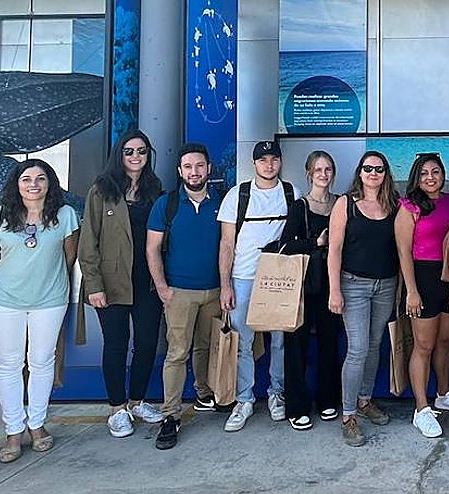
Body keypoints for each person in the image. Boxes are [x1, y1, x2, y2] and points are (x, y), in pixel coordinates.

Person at [0, 158, 79, 463]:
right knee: (8, 365)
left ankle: (37, 425)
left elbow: (69, 257)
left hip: (49, 301)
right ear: (16, 184)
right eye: (26, 179)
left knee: (42, 362)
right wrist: (4, 286)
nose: (33, 184)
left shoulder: (65, 215)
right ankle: (13, 432)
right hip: (4, 302)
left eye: (40, 178)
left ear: (50, 184)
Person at [77, 130, 165, 438]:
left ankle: (137, 401)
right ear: (119, 154)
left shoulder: (155, 189)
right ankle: (117, 408)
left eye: (141, 151)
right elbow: (88, 243)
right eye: (129, 151)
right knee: (116, 345)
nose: (136, 157)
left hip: (148, 280)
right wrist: (93, 285)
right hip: (111, 281)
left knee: (147, 344)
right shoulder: (102, 190)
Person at [147, 143, 223, 450]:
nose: (195, 172)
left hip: (215, 291)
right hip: (179, 291)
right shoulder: (167, 204)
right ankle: (171, 416)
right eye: (188, 167)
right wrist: (163, 287)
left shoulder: (222, 201)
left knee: (205, 347)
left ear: (209, 169)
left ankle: (204, 393)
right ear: (180, 171)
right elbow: (152, 249)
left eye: (200, 166)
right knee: (178, 352)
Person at [218, 141, 296, 433]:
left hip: (278, 276)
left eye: (274, 159)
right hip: (244, 276)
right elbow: (227, 243)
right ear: (254, 164)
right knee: (243, 342)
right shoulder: (237, 195)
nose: (269, 165)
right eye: (263, 160)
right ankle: (244, 399)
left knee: (279, 341)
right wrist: (225, 284)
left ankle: (276, 393)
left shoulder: (291, 193)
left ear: (280, 162)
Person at [328, 151, 400, 447]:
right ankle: (347, 416)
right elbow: (334, 249)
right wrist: (335, 290)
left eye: (379, 169)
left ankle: (364, 400)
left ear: (385, 174)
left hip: (386, 285)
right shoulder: (345, 204)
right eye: (368, 168)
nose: (373, 173)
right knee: (357, 349)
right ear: (360, 172)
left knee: (374, 346)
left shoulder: (394, 205)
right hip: (353, 285)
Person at [395, 153, 449, 439]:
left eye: (435, 172)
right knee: (423, 346)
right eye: (424, 173)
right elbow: (403, 253)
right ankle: (421, 408)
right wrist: (411, 290)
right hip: (422, 280)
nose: (430, 177)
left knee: (445, 341)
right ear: (416, 176)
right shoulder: (409, 206)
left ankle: (443, 394)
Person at [275, 150, 342, 430]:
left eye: (327, 169)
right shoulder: (300, 206)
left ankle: (327, 400)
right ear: (309, 173)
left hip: (332, 285)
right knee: (296, 346)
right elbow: (284, 247)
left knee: (329, 344)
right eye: (318, 170)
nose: (323, 175)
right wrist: (317, 242)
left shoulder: (340, 204)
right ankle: (297, 406)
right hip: (302, 286)